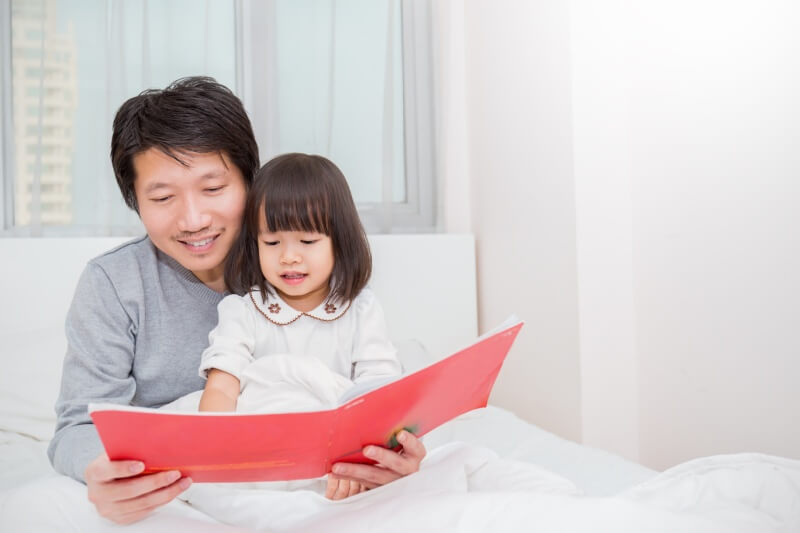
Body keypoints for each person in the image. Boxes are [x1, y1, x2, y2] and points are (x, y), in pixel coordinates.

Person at [47, 76, 426, 526]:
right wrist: (104, 472)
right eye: (163, 197)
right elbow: (76, 425)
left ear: (251, 179)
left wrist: (388, 452)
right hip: (186, 487)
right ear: (135, 201)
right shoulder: (114, 283)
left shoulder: (305, 271)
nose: (193, 219)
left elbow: (371, 397)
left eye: (213, 189)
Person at [196, 152, 403, 498]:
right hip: (263, 445)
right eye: (272, 243)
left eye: (307, 242)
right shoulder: (242, 311)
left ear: (340, 241)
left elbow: (378, 390)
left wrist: (357, 457)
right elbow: (221, 386)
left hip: (334, 451)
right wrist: (217, 449)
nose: (288, 257)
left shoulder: (361, 310)